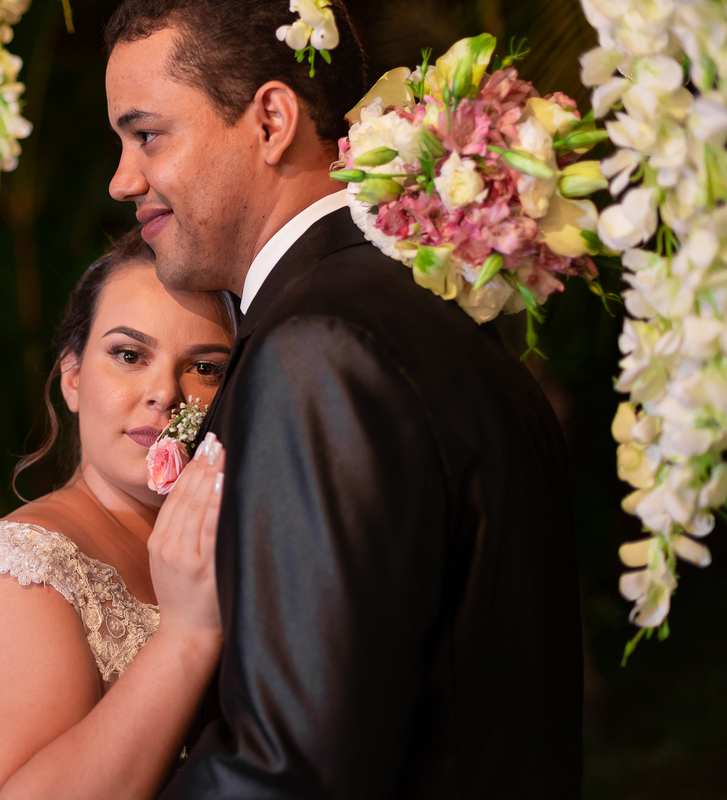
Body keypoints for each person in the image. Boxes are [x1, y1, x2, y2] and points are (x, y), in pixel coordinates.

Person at [104, 1, 584, 798]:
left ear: (271, 121)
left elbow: (294, 771)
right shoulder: (435, 315)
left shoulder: (316, 348)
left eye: (147, 135)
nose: (122, 179)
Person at [0, 228, 239, 800]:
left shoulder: (233, 542)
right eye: (129, 355)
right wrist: (185, 638)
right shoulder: (21, 575)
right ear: (72, 376)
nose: (165, 393)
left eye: (206, 368)